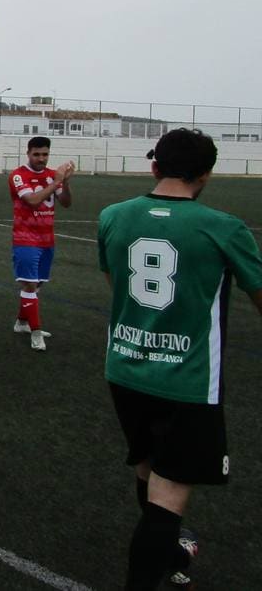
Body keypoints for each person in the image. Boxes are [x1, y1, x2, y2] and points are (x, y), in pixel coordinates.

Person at [100, 129, 262, 589]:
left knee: (149, 469)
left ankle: (169, 553)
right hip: (188, 380)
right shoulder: (224, 227)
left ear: (154, 166)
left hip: (125, 367)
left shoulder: (113, 216)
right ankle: (157, 562)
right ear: (207, 174)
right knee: (169, 496)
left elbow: (118, 290)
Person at [9, 136, 74, 351]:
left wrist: (66, 182)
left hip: (47, 239)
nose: (41, 158)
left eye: (45, 154)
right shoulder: (18, 175)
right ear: (28, 154)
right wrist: (57, 181)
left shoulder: (51, 175)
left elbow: (65, 202)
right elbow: (32, 200)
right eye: (36, 154)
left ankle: (21, 323)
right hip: (25, 238)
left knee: (37, 284)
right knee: (29, 284)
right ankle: (36, 333)